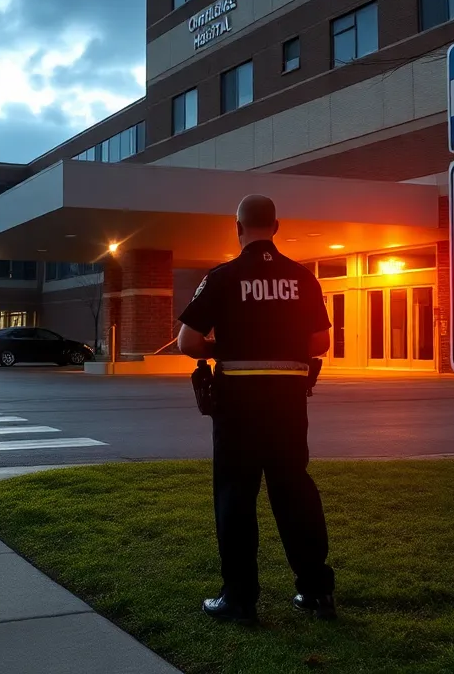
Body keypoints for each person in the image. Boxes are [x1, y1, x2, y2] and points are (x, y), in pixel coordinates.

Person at [176, 194, 337, 624]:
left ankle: (240, 598)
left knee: (236, 496)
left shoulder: (224, 277)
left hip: (238, 405)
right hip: (287, 402)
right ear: (277, 227)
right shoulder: (302, 278)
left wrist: (223, 346)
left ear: (238, 227)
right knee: (294, 491)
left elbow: (187, 343)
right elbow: (321, 342)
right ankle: (317, 593)